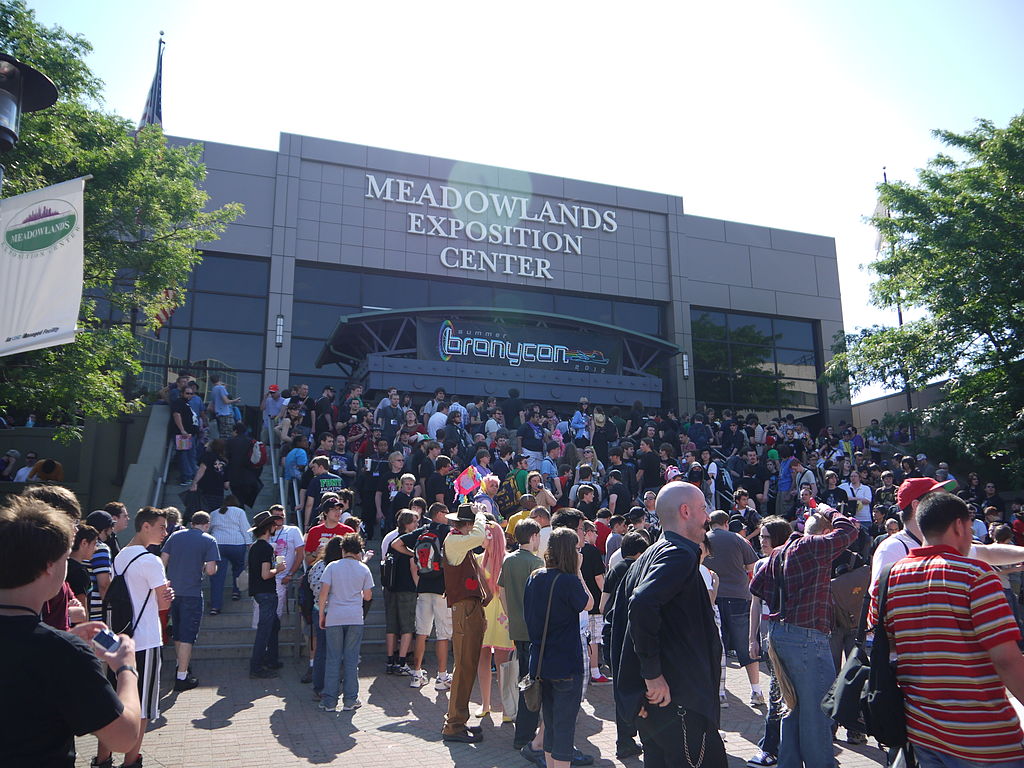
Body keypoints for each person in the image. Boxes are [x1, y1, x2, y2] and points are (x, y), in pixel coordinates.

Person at [871, 492, 1024, 767]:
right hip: (985, 739)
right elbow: (1006, 660)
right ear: (959, 526)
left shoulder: (890, 578)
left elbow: (890, 645)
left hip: (924, 732)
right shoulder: (976, 576)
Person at [0, 496, 144, 768]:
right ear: (49, 566)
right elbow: (123, 738)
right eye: (66, 557)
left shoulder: (60, 649)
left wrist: (66, 641)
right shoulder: (61, 652)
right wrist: (126, 669)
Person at [609, 481, 727, 768]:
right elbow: (641, 604)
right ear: (685, 511)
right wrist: (651, 676)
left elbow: (621, 621)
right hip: (679, 701)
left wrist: (637, 688)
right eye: (703, 508)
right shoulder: (678, 553)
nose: (707, 517)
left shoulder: (650, 555)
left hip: (662, 703)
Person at [749, 504, 857, 768]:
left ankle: (789, 762)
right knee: (818, 712)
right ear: (825, 533)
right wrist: (829, 510)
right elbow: (850, 529)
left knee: (792, 706)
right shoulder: (812, 546)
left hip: (779, 634)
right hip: (807, 637)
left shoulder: (778, 552)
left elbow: (756, 586)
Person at [103, 506, 175, 768]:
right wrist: (168, 596)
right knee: (142, 706)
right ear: (146, 526)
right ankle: (131, 761)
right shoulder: (151, 560)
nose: (165, 532)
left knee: (114, 702)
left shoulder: (120, 555)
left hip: (119, 638)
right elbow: (163, 604)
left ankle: (102, 759)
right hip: (145, 639)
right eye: (161, 527)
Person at [522, 528, 593, 768]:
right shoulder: (569, 580)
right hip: (566, 664)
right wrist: (578, 571)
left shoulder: (535, 577)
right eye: (577, 549)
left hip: (540, 662)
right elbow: (589, 603)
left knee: (551, 724)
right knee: (563, 728)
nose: (579, 553)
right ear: (569, 551)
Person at [440, 503, 491, 744]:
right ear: (468, 524)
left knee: (467, 666)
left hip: (469, 608)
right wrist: (481, 515)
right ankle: (454, 725)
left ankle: (457, 720)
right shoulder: (454, 541)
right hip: (464, 609)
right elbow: (479, 536)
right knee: (464, 666)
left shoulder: (459, 542)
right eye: (474, 523)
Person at [747, 517, 794, 768]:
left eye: (766, 537)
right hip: (768, 636)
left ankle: (771, 746)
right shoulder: (760, 564)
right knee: (776, 689)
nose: (761, 541)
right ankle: (772, 744)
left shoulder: (791, 562)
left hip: (788, 637)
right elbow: (755, 603)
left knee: (779, 692)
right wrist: (752, 638)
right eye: (761, 536)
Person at [703, 510, 763, 707]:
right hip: (739, 597)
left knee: (717, 648)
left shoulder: (703, 540)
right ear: (726, 523)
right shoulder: (737, 539)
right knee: (746, 646)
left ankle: (720, 694)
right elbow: (752, 566)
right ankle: (756, 691)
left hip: (713, 597)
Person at [394, 502, 453, 690]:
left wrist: (413, 555)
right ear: (439, 514)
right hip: (441, 588)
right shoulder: (447, 531)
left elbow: (396, 543)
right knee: (443, 634)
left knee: (421, 632)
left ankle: (417, 674)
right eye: (446, 512)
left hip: (423, 586)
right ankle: (442, 677)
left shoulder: (422, 531)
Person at [160, 511, 219, 691]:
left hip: (172, 592)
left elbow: (162, 561)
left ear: (192, 523)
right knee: (187, 636)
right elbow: (211, 570)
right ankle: (182, 676)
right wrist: (206, 565)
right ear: (207, 525)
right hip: (192, 593)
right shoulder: (209, 540)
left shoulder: (175, 536)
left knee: (177, 633)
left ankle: (181, 665)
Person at [500, 518, 545, 751]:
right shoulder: (536, 562)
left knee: (525, 679)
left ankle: (525, 732)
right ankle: (525, 735)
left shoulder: (508, 560)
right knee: (531, 683)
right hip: (533, 630)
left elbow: (501, 591)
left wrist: (511, 615)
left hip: (517, 628)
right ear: (534, 536)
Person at [318, 533, 374, 712]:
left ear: (343, 550)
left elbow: (323, 594)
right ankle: (350, 699)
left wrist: (321, 614)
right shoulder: (363, 569)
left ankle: (329, 701)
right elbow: (368, 596)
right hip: (355, 617)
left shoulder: (332, 567)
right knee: (351, 659)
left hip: (334, 616)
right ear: (358, 551)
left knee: (333, 659)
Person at [475, 515, 516, 722]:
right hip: (483, 614)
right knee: (482, 658)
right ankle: (485, 704)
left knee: (502, 662)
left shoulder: (509, 560)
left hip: (503, 615)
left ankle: (507, 708)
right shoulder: (477, 560)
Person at [248, 511, 284, 679]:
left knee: (274, 625)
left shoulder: (255, 546)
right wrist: (278, 569)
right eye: (273, 525)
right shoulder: (266, 547)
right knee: (265, 630)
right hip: (266, 593)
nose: (276, 527)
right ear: (267, 527)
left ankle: (271, 659)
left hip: (259, 591)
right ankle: (256, 667)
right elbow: (265, 574)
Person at [304, 493, 356, 565]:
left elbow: (355, 556)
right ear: (325, 512)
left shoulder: (348, 531)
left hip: (341, 569)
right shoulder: (314, 531)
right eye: (333, 509)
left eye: (339, 509)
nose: (338, 512)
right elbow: (307, 560)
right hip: (320, 569)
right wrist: (315, 554)